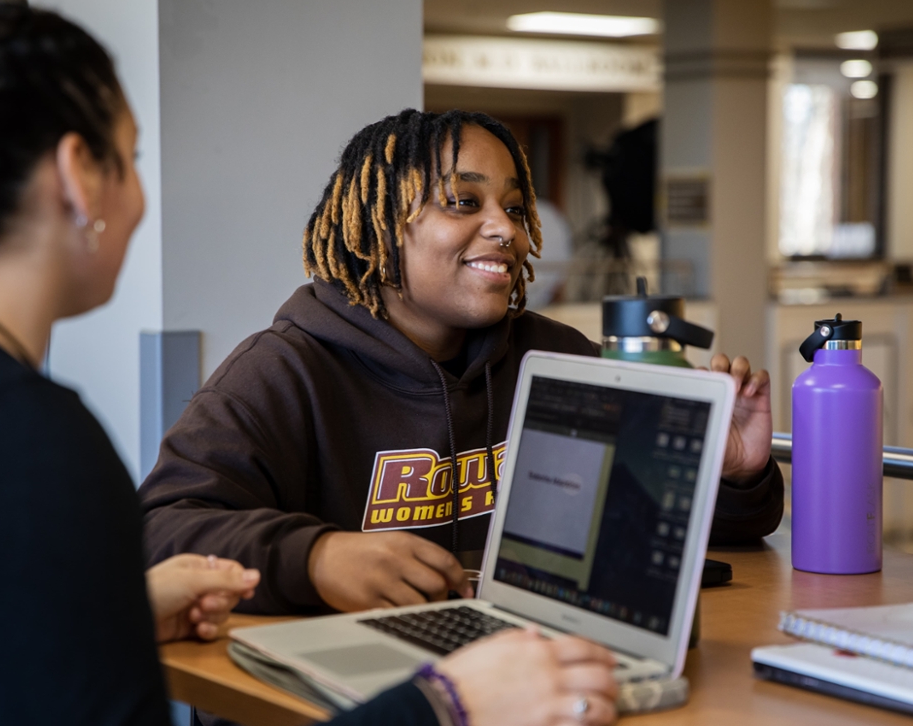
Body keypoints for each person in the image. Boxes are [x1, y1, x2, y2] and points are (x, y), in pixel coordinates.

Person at [0, 0, 619, 726]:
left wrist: (117, 612)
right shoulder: (19, 436)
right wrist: (443, 713)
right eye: (131, 161)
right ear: (77, 176)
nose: (139, 198)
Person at [139, 108, 783, 613]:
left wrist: (729, 474)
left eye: (513, 206)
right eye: (465, 202)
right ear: (383, 227)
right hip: (332, 697)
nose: (509, 230)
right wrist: (315, 559)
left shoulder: (556, 358)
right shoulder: (282, 374)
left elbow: (696, 541)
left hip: (511, 669)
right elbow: (157, 534)